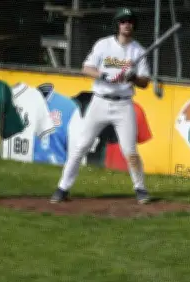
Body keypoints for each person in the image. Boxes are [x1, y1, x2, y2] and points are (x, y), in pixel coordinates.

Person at [50, 7, 151, 204]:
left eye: (130, 21)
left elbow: (145, 82)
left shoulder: (138, 50)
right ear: (117, 25)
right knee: (81, 146)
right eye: (123, 21)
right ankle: (62, 188)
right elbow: (86, 68)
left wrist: (133, 77)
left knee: (130, 150)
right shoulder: (103, 45)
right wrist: (104, 75)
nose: (126, 24)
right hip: (100, 101)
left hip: (123, 104)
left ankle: (140, 189)